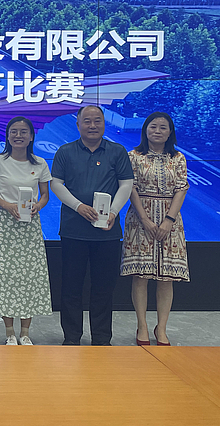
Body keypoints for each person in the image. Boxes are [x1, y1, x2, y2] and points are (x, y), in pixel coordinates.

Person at [51, 105, 133, 346]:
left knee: (103, 288)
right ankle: (71, 337)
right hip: (73, 230)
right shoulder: (65, 151)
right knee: (71, 287)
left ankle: (101, 338)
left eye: (97, 120)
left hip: (107, 232)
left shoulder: (117, 151)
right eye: (87, 121)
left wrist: (113, 212)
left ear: (104, 124)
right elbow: (56, 184)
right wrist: (78, 206)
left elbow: (126, 184)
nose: (92, 125)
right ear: (78, 124)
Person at [120, 112, 189, 346]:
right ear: (145, 130)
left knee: (166, 277)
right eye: (153, 127)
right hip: (140, 220)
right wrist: (145, 219)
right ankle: (142, 325)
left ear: (170, 132)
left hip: (170, 222)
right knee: (140, 275)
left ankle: (162, 328)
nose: (157, 131)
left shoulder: (178, 158)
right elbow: (130, 187)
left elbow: (181, 188)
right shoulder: (133, 156)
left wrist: (169, 219)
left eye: (163, 127)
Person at [0, 117, 53, 345]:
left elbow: (45, 195)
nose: (18, 136)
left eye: (23, 132)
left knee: (29, 276)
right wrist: (8, 206)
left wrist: (38, 206)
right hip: (6, 223)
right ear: (7, 136)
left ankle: (25, 333)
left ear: (31, 136)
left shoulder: (40, 163)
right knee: (7, 276)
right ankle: (9, 333)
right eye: (13, 131)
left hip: (30, 224)